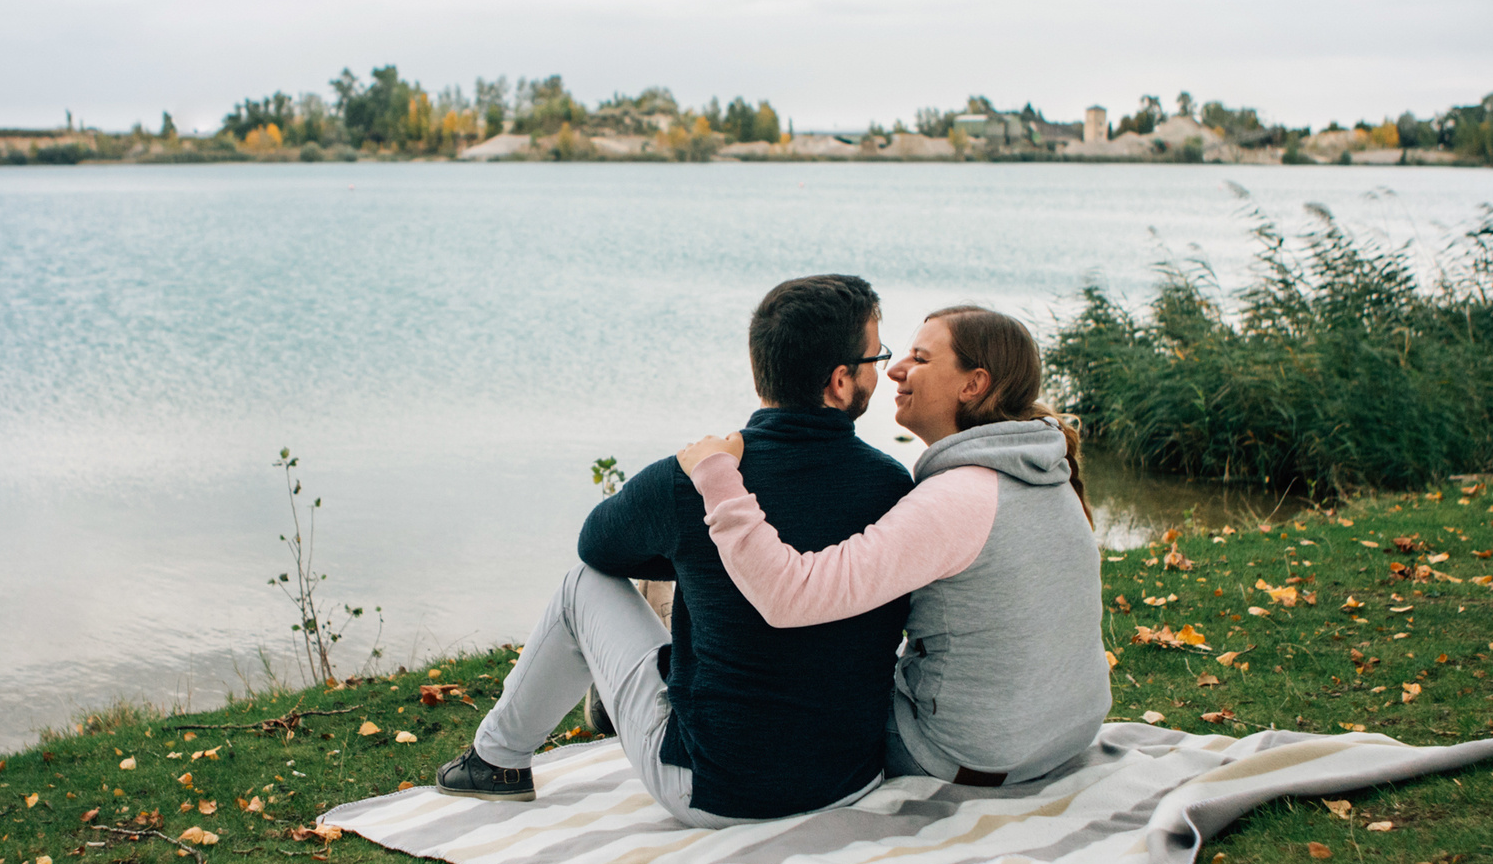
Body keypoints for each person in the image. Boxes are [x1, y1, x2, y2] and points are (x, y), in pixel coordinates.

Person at [434, 275, 915, 824]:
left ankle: (495, 760)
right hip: (847, 779)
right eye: (875, 357)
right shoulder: (893, 486)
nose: (882, 368)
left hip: (717, 791)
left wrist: (695, 551)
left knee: (580, 586)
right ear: (839, 381)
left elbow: (597, 548)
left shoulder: (695, 479)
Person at [677, 305, 1109, 787]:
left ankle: (654, 694)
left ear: (974, 384)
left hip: (960, 756)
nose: (896, 370)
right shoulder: (1045, 469)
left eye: (920, 359)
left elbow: (790, 598)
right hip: (1061, 738)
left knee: (701, 583)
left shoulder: (960, 495)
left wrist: (716, 476)